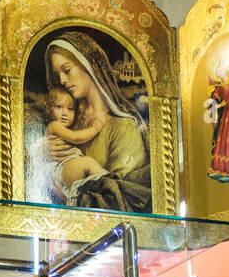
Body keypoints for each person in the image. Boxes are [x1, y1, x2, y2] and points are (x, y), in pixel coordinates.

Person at [34, 32, 151, 212]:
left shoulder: (123, 127)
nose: (62, 80)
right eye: (58, 75)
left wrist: (65, 196)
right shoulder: (67, 121)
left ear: (88, 65)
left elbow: (121, 200)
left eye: (67, 70)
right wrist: (44, 152)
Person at [42, 86, 109, 195]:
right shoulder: (55, 125)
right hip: (60, 170)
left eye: (70, 109)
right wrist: (95, 128)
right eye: (59, 107)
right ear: (49, 109)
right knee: (88, 162)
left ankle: (108, 184)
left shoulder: (67, 127)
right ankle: (109, 183)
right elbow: (76, 138)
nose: (65, 113)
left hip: (67, 168)